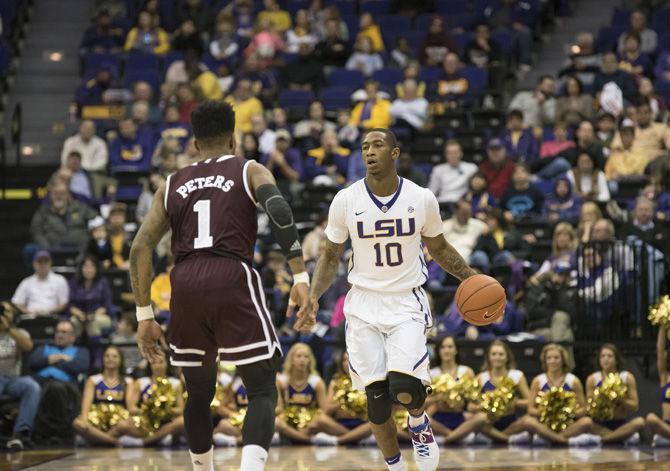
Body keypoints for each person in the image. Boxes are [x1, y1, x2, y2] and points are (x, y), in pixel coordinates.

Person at [129, 100, 312, 471]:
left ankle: (203, 468)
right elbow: (278, 210)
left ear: (194, 144)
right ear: (233, 138)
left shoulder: (171, 183)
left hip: (184, 283)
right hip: (230, 274)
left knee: (197, 392)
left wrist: (144, 314)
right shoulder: (249, 169)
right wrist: (300, 275)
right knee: (261, 387)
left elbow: (140, 247)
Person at [304, 128, 478, 471]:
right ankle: (395, 466)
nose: (369, 151)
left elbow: (439, 249)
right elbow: (329, 257)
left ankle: (417, 421)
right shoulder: (346, 199)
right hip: (363, 303)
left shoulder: (422, 197)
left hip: (405, 301)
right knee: (377, 402)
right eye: (365, 146)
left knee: (405, 388)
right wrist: (313, 296)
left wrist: (473, 279)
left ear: (394, 154)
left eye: (378, 145)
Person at [520, 344, 599, 446]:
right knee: (527, 422)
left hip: (568, 424)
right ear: (545, 361)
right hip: (545, 424)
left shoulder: (573, 381)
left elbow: (584, 409)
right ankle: (566, 441)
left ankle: (548, 439)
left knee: (587, 422)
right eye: (549, 358)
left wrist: (567, 413)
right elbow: (530, 409)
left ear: (563, 360)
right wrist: (547, 412)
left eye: (556, 358)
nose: (552, 361)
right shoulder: (538, 380)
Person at [114, 349, 185, 447]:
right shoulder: (141, 382)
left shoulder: (175, 383)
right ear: (149, 365)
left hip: (168, 422)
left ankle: (145, 442)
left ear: (167, 364)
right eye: (154, 362)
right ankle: (161, 438)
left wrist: (164, 411)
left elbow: (181, 409)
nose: (158, 366)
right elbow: (131, 408)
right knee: (123, 425)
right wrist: (149, 411)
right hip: (146, 422)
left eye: (161, 362)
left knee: (183, 421)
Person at [426, 336, 487, 444]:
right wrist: (438, 398)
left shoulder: (466, 371)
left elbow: (476, 400)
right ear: (438, 351)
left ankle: (446, 440)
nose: (446, 350)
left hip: (459, 416)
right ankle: (458, 437)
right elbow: (423, 402)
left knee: (482, 417)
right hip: (438, 417)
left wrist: (465, 395)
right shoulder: (431, 373)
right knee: (422, 419)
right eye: (443, 347)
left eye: (450, 347)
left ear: (456, 350)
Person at [274, 343, 337, 444]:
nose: (302, 360)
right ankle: (309, 440)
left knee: (322, 420)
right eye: (298, 356)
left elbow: (325, 410)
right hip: (288, 421)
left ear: (310, 360)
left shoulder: (316, 381)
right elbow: (280, 408)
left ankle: (292, 437)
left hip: (309, 423)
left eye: (306, 356)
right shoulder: (281, 380)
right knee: (276, 422)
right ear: (291, 359)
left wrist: (311, 423)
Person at [471, 340, 531, 444]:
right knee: (474, 419)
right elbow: (470, 406)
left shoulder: (516, 375)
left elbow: (530, 402)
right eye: (494, 354)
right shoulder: (481, 377)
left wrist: (515, 403)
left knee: (529, 420)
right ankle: (507, 440)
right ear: (489, 357)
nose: (497, 357)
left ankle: (495, 438)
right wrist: (484, 406)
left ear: (507, 357)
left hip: (511, 422)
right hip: (489, 422)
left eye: (501, 354)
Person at [72, 346, 133, 446]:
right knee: (77, 423)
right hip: (96, 419)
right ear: (102, 359)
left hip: (118, 421)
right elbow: (86, 404)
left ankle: (95, 439)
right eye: (107, 356)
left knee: (126, 425)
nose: (110, 359)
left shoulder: (128, 381)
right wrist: (84, 419)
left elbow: (130, 406)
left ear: (121, 360)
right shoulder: (93, 380)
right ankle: (112, 441)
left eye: (114, 356)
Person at [586, 344, 645, 444]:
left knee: (640, 422)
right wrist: (601, 400)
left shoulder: (626, 377)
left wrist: (618, 399)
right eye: (603, 356)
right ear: (599, 360)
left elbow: (635, 406)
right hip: (599, 424)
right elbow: (588, 407)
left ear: (617, 360)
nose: (606, 359)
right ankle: (619, 437)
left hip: (620, 423)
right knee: (585, 422)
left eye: (610, 356)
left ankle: (603, 440)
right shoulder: (592, 379)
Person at [0, 302, 40, 451]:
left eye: (7, 312)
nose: (3, 314)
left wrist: (8, 329)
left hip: (12, 379)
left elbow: (28, 346)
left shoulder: (19, 332)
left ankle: (19, 434)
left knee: (32, 386)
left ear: (13, 315)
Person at [311, 351, 374, 445]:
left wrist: (358, 403)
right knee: (320, 419)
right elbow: (327, 410)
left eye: (351, 359)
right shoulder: (335, 382)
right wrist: (343, 401)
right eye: (344, 360)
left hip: (362, 423)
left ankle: (338, 440)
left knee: (374, 424)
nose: (348, 363)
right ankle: (358, 438)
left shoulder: (368, 381)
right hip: (340, 425)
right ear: (341, 363)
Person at [30, 180, 97, 252]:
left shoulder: (80, 209)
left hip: (82, 251)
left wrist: (89, 243)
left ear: (68, 195)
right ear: (50, 194)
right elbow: (36, 231)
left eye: (62, 193)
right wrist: (47, 248)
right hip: (53, 251)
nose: (59, 196)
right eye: (56, 193)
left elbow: (97, 220)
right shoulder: (43, 212)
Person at [520, 261, 576, 344]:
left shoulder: (569, 291)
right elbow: (531, 312)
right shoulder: (538, 288)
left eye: (566, 275)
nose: (562, 278)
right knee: (566, 335)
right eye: (560, 274)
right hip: (539, 326)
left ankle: (556, 350)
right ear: (552, 274)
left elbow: (571, 312)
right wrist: (551, 314)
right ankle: (557, 350)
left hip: (560, 326)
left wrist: (557, 290)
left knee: (567, 334)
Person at [12, 251, 69, 318]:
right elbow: (17, 302)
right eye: (39, 262)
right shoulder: (26, 282)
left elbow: (64, 303)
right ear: (34, 264)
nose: (43, 265)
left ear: (50, 263)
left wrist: (49, 311)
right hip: (30, 317)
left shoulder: (60, 280)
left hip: (53, 316)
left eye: (45, 262)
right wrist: (28, 311)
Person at [68, 256, 114, 338]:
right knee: (73, 322)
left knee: (92, 322)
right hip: (80, 316)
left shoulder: (103, 283)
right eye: (86, 266)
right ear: (81, 268)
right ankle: (77, 349)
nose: (89, 269)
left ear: (96, 268)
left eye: (92, 266)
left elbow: (106, 306)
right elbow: (71, 305)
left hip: (99, 315)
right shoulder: (75, 282)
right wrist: (79, 314)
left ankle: (95, 350)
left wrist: (92, 315)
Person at [428, 140, 478, 204]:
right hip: (443, 202)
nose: (453, 155)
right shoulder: (438, 169)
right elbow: (431, 192)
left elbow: (476, 189)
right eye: (449, 153)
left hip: (463, 202)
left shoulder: (472, 168)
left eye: (455, 152)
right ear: (445, 155)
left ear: (461, 153)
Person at [646, 324, 670, 446]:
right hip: (666, 425)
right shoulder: (665, 377)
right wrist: (663, 327)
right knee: (650, 418)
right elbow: (660, 352)